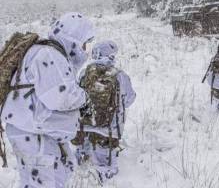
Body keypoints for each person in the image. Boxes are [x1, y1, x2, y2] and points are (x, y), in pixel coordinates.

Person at [1, 12, 94, 187]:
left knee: (52, 177)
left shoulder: (43, 51)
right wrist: (85, 100)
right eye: (84, 44)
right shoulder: (49, 55)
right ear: (73, 38)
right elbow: (61, 96)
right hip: (34, 137)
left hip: (34, 134)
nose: (84, 51)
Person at [73, 41, 136, 183]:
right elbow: (130, 99)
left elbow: (75, 98)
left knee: (82, 158)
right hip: (109, 129)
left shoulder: (84, 73)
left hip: (84, 126)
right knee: (105, 163)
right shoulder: (120, 76)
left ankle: (79, 178)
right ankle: (105, 180)